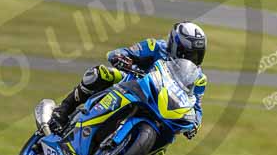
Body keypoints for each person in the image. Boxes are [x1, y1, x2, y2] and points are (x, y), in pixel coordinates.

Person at [49, 21, 207, 140]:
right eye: (187, 54)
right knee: (100, 74)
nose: (192, 59)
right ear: (174, 45)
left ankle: (129, 151)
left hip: (162, 106)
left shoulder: (198, 79)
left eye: (196, 55)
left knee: (168, 137)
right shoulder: (154, 46)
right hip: (130, 84)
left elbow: (196, 107)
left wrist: (195, 124)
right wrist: (121, 58)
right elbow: (122, 52)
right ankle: (63, 110)